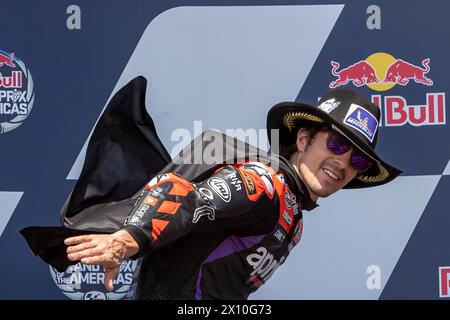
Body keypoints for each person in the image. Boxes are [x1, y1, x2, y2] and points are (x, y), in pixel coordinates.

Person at [62, 86, 402, 299]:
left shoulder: (293, 216)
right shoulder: (267, 186)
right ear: (303, 140)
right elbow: (187, 197)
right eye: (337, 143)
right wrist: (127, 239)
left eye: (356, 158)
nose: (342, 161)